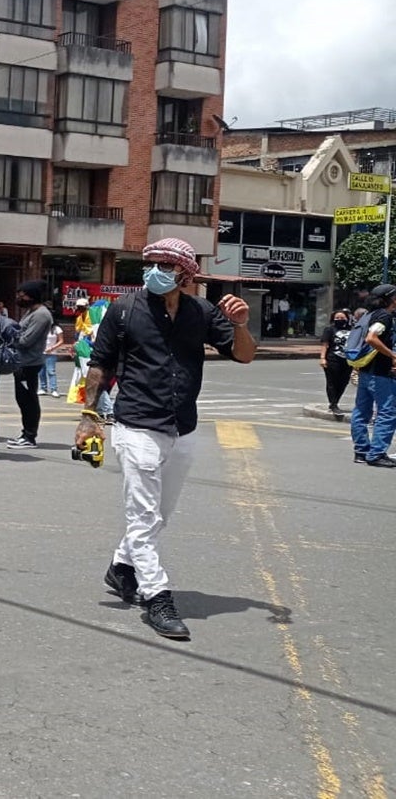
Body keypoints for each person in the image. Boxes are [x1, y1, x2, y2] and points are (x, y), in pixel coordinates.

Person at [80, 238, 254, 639]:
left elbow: (244, 355)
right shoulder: (125, 310)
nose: (153, 270)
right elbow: (100, 364)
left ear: (185, 274)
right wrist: (89, 416)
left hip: (182, 428)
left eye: (163, 264)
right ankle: (157, 596)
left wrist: (241, 324)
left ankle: (121, 567)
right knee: (143, 516)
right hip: (136, 425)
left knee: (160, 515)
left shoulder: (201, 311)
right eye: (150, 263)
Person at [351, 285, 396, 467]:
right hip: (380, 373)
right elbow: (371, 338)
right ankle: (376, 453)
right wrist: (392, 355)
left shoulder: (369, 314)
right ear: (389, 298)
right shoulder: (384, 316)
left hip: (365, 371)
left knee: (361, 411)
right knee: (387, 412)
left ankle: (361, 451)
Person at [8, 280, 54, 450]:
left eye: (22, 295)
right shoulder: (30, 312)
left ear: (32, 296)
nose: (19, 298)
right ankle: (25, 433)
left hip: (29, 363)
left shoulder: (41, 315)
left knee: (29, 400)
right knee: (22, 399)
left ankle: (30, 436)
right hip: (21, 362)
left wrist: (9, 335)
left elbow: (26, 340)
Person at [318, 309, 352, 417]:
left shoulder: (352, 329)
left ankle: (336, 400)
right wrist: (323, 358)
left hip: (348, 360)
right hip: (333, 358)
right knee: (332, 382)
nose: (340, 320)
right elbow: (325, 344)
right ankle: (333, 404)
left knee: (343, 382)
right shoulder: (329, 329)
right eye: (337, 318)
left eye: (342, 318)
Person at [40, 315, 65, 397]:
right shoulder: (41, 327)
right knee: (41, 372)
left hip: (51, 353)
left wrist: (52, 348)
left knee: (51, 371)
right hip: (41, 352)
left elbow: (61, 341)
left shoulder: (56, 328)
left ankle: (54, 389)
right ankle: (43, 388)